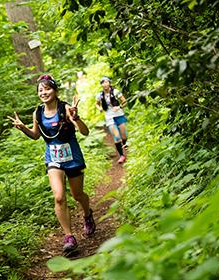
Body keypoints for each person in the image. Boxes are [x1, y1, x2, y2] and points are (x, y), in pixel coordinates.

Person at [7, 74, 96, 256]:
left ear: (55, 91)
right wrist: (23, 127)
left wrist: (76, 118)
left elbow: (85, 132)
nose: (44, 92)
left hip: (72, 157)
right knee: (59, 197)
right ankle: (69, 237)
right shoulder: (38, 112)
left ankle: (87, 214)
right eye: (40, 90)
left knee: (77, 194)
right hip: (53, 158)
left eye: (47, 89)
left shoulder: (65, 108)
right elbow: (36, 135)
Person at [95, 76, 128, 164]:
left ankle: (124, 144)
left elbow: (124, 102)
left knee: (124, 136)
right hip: (109, 116)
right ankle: (122, 156)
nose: (105, 84)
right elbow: (97, 104)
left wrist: (119, 107)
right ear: (101, 84)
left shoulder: (115, 92)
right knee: (117, 137)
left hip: (119, 114)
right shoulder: (99, 95)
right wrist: (99, 108)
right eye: (103, 82)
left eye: (106, 82)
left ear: (109, 83)